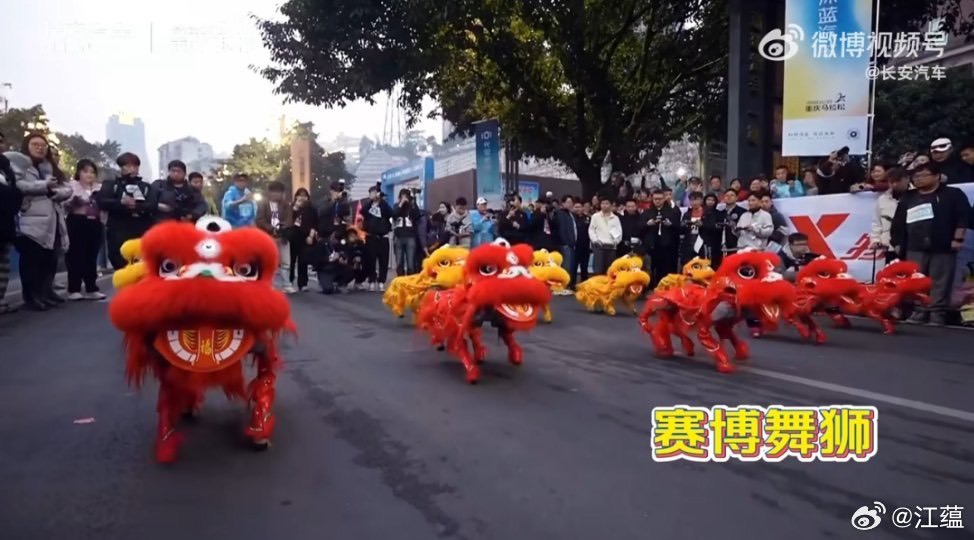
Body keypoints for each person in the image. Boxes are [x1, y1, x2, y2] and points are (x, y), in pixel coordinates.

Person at [891, 161, 970, 326]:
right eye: (916, 176)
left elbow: (963, 218)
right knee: (917, 281)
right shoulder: (909, 197)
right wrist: (897, 242)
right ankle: (919, 311)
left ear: (937, 177)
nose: (918, 179)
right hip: (914, 246)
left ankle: (937, 314)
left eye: (923, 175)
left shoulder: (952, 194)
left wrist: (958, 239)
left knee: (940, 281)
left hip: (943, 246)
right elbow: (898, 222)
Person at [10, 133, 71, 310]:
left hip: (53, 220)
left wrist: (55, 192)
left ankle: (46, 291)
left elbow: (67, 189)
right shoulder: (19, 166)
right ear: (26, 146)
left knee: (50, 259)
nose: (40, 148)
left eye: (43, 145)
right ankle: (31, 296)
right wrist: (44, 186)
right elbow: (20, 185)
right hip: (29, 219)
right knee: (31, 260)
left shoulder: (52, 168)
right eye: (35, 144)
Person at [97, 152, 155, 270]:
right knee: (119, 259)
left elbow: (152, 204)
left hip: (141, 228)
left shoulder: (146, 186)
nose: (132, 169)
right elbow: (101, 201)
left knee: (141, 261)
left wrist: (138, 206)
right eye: (128, 166)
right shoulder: (111, 184)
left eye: (135, 166)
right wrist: (120, 203)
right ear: (121, 167)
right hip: (118, 229)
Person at [64, 159, 106, 300]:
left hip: (95, 222)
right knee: (75, 255)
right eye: (85, 171)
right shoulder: (71, 186)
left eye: (92, 172)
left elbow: (106, 205)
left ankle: (91, 288)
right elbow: (63, 203)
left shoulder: (100, 188)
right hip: (77, 221)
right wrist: (73, 202)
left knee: (91, 256)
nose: (89, 175)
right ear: (78, 172)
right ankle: (74, 288)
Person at [255, 181, 294, 293]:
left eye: (279, 192)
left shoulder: (286, 205)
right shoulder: (263, 204)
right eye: (274, 192)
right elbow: (260, 220)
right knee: (269, 260)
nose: (276, 194)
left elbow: (289, 219)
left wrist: (282, 228)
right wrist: (271, 229)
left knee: (285, 260)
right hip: (268, 235)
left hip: (283, 236)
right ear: (269, 192)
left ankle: (286, 284)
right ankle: (269, 283)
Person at [0, 130, 22, 314]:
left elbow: (15, 194)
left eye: (1, 141)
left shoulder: (6, 167)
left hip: (5, 223)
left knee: (3, 265)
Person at [641, 189, 681, 286]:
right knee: (650, 267)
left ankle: (665, 287)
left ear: (664, 199)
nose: (657, 201)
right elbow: (639, 227)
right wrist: (647, 224)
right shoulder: (647, 212)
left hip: (667, 245)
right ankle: (650, 288)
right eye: (655, 199)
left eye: (660, 199)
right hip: (652, 245)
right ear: (652, 199)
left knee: (665, 268)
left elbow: (679, 228)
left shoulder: (672, 212)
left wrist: (670, 225)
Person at [870, 167, 909, 265]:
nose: (894, 185)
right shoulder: (882, 199)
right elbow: (877, 222)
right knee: (891, 275)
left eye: (898, 181)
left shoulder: (917, 195)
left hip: (912, 247)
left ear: (906, 179)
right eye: (891, 182)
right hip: (890, 245)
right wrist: (876, 239)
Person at [361, 185, 393, 291]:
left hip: (383, 237)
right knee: (371, 260)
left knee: (383, 261)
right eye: (372, 193)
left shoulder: (383, 205)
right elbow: (363, 212)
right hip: (371, 237)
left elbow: (391, 213)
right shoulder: (367, 205)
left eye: (375, 192)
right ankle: (371, 280)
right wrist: (371, 202)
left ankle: (381, 281)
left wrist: (381, 201)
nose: (374, 195)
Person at [288, 188, 317, 291]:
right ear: (296, 196)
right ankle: (289, 281)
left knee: (303, 261)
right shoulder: (292, 207)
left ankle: (303, 283)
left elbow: (314, 224)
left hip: (305, 237)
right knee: (291, 260)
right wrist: (295, 207)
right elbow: (288, 220)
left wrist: (311, 236)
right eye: (300, 195)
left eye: (304, 196)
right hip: (293, 236)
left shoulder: (312, 209)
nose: (302, 198)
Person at [588, 196, 622, 275]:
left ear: (611, 205)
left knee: (609, 271)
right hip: (599, 247)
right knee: (598, 270)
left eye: (607, 203)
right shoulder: (595, 217)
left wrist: (615, 242)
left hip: (611, 247)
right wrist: (595, 240)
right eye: (602, 203)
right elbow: (591, 230)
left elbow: (619, 232)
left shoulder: (615, 218)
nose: (604, 205)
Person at [391, 188, 421, 275]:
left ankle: (409, 282)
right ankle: (400, 281)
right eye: (402, 196)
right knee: (399, 262)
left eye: (406, 196)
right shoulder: (396, 206)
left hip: (410, 237)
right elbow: (394, 215)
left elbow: (417, 216)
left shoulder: (412, 206)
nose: (404, 198)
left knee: (411, 263)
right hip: (399, 237)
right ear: (399, 197)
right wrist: (401, 204)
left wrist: (412, 203)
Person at [553, 195, 577, 291]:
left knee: (570, 265)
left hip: (572, 244)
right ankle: (563, 286)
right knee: (566, 266)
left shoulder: (570, 214)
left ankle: (566, 285)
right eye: (568, 202)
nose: (570, 204)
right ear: (562, 203)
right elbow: (562, 230)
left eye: (571, 202)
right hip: (566, 244)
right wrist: (566, 242)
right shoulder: (560, 214)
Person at [680, 192, 707, 265]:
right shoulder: (687, 214)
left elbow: (711, 227)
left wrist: (703, 225)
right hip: (689, 240)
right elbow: (681, 230)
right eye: (691, 200)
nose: (694, 202)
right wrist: (683, 225)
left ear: (701, 200)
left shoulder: (706, 212)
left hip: (702, 240)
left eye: (697, 200)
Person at [700, 193, 724, 268]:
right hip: (701, 242)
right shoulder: (701, 212)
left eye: (713, 200)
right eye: (708, 199)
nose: (710, 202)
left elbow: (719, 227)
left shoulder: (719, 213)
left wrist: (704, 225)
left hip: (714, 243)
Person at [572, 201, 591, 289]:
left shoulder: (588, 218)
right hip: (574, 246)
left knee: (584, 267)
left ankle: (584, 285)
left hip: (585, 246)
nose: (577, 209)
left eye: (579, 207)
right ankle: (572, 285)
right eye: (576, 207)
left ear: (583, 208)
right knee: (573, 267)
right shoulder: (571, 218)